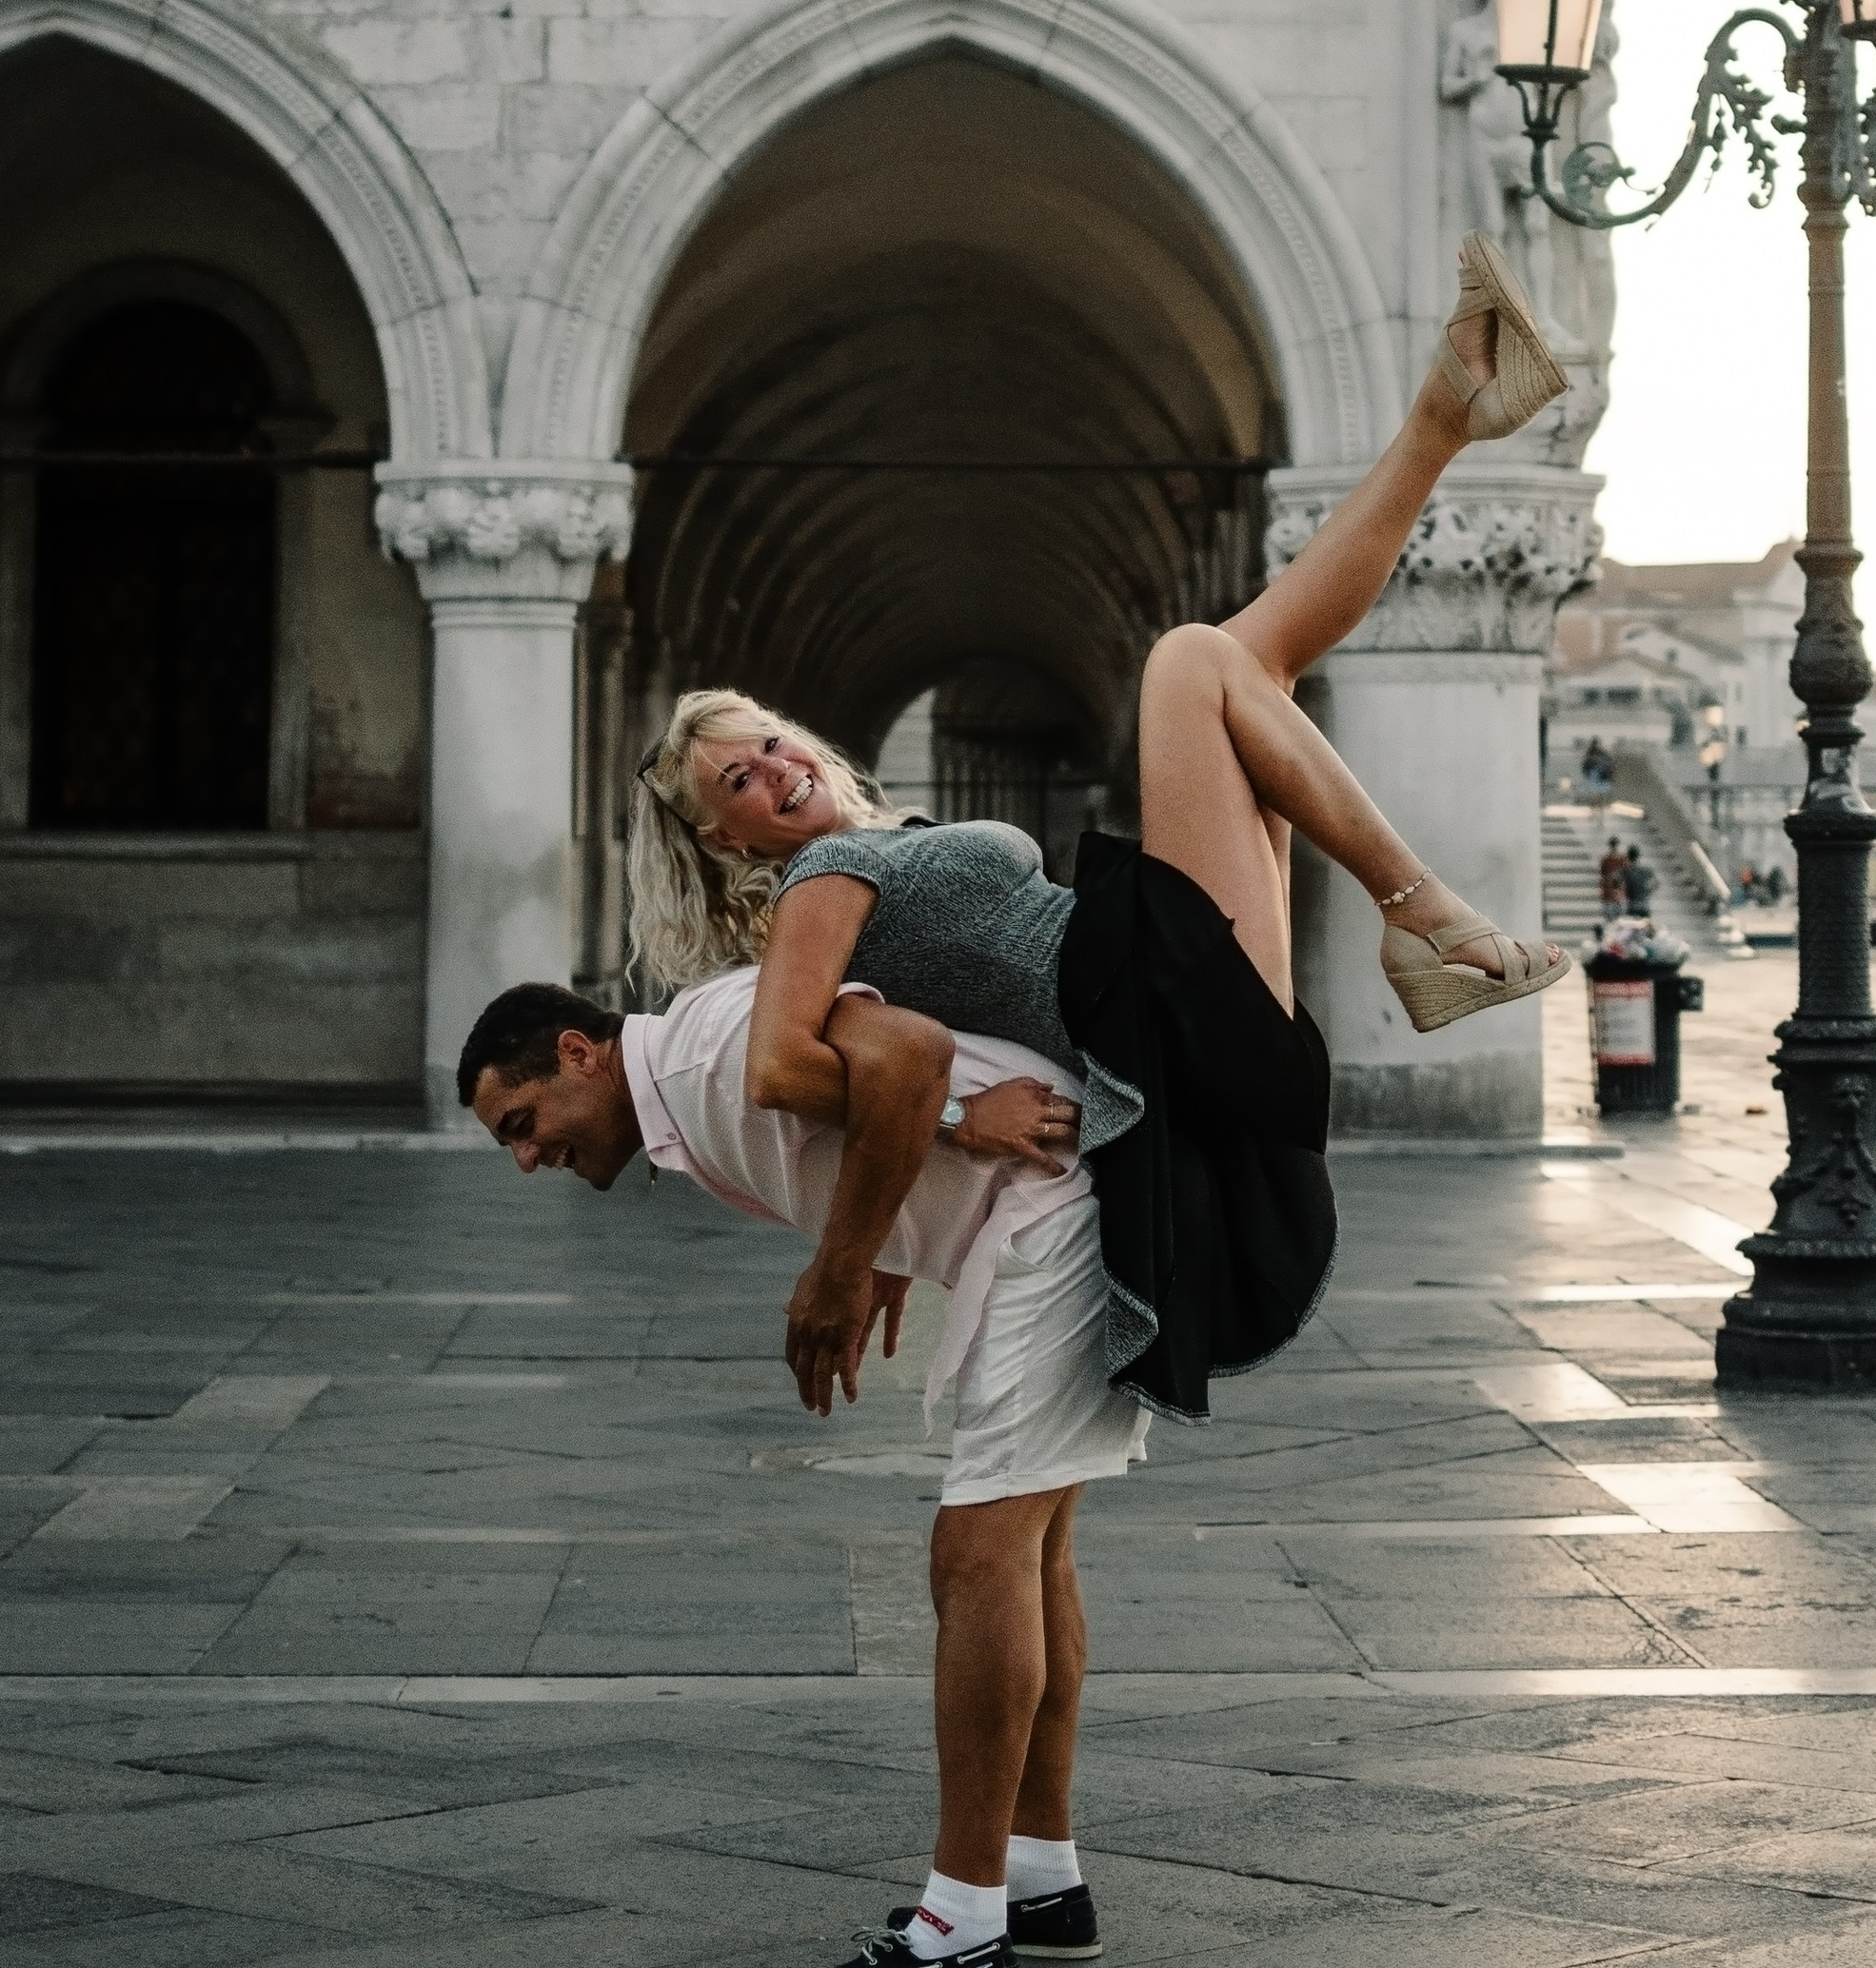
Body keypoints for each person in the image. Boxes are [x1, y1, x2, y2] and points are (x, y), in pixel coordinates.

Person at [629, 234, 1574, 1445]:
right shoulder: (817, 876)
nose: (774, 769)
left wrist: (894, 1244)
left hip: (1161, 1001)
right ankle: (1422, 917)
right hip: (1142, 1006)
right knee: (1191, 660)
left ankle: (1445, 413)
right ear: (726, 842)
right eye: (740, 783)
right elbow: (778, 1069)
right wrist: (951, 1135)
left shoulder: (877, 844)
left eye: (768, 742)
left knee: (1255, 658)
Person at [460, 963, 1120, 1968]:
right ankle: (1040, 1880)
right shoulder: (690, 1075)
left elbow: (907, 1054)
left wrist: (843, 1266)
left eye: (522, 1125)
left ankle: (960, 1933)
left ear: (579, 1054)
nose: (529, 1158)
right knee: (1034, 1551)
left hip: (1055, 1216)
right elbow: (874, 1104)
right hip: (1059, 1212)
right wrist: (893, 1238)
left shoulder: (706, 1053)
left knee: (976, 1557)